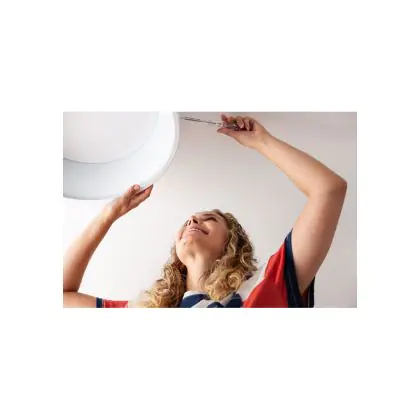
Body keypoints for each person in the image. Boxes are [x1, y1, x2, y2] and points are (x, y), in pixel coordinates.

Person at [63, 114, 347, 308]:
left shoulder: (266, 288)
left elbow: (328, 189)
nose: (193, 219)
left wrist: (262, 141)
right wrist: (109, 214)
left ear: (232, 243)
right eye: (189, 221)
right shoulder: (147, 309)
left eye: (209, 219)